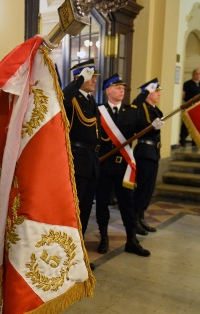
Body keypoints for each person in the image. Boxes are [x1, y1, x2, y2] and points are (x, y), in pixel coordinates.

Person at [95, 74, 150, 257]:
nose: (122, 90)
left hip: (123, 165)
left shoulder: (132, 111)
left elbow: (143, 130)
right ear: (108, 90)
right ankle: (104, 237)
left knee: (128, 203)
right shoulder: (99, 111)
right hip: (103, 166)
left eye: (123, 88)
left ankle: (131, 240)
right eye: (118, 87)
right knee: (102, 203)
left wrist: (154, 127)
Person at [62, 59, 100, 237]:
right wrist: (77, 82)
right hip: (77, 162)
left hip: (91, 162)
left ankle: (80, 250)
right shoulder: (73, 98)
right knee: (73, 210)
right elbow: (60, 99)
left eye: (94, 77)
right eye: (90, 77)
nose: (94, 80)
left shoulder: (91, 101)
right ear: (80, 77)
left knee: (85, 210)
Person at [132, 78, 164, 235]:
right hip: (144, 151)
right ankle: (134, 220)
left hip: (154, 153)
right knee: (142, 187)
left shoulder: (155, 109)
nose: (158, 93)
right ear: (148, 93)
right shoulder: (141, 108)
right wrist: (151, 126)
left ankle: (141, 217)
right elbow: (139, 125)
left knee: (148, 189)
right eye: (155, 91)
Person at [180, 69, 200, 147]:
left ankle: (195, 141)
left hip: (198, 107)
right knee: (186, 123)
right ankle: (182, 139)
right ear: (193, 74)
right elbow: (183, 95)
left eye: (199, 74)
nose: (198, 75)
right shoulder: (187, 84)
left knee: (196, 124)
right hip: (189, 107)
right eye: (196, 73)